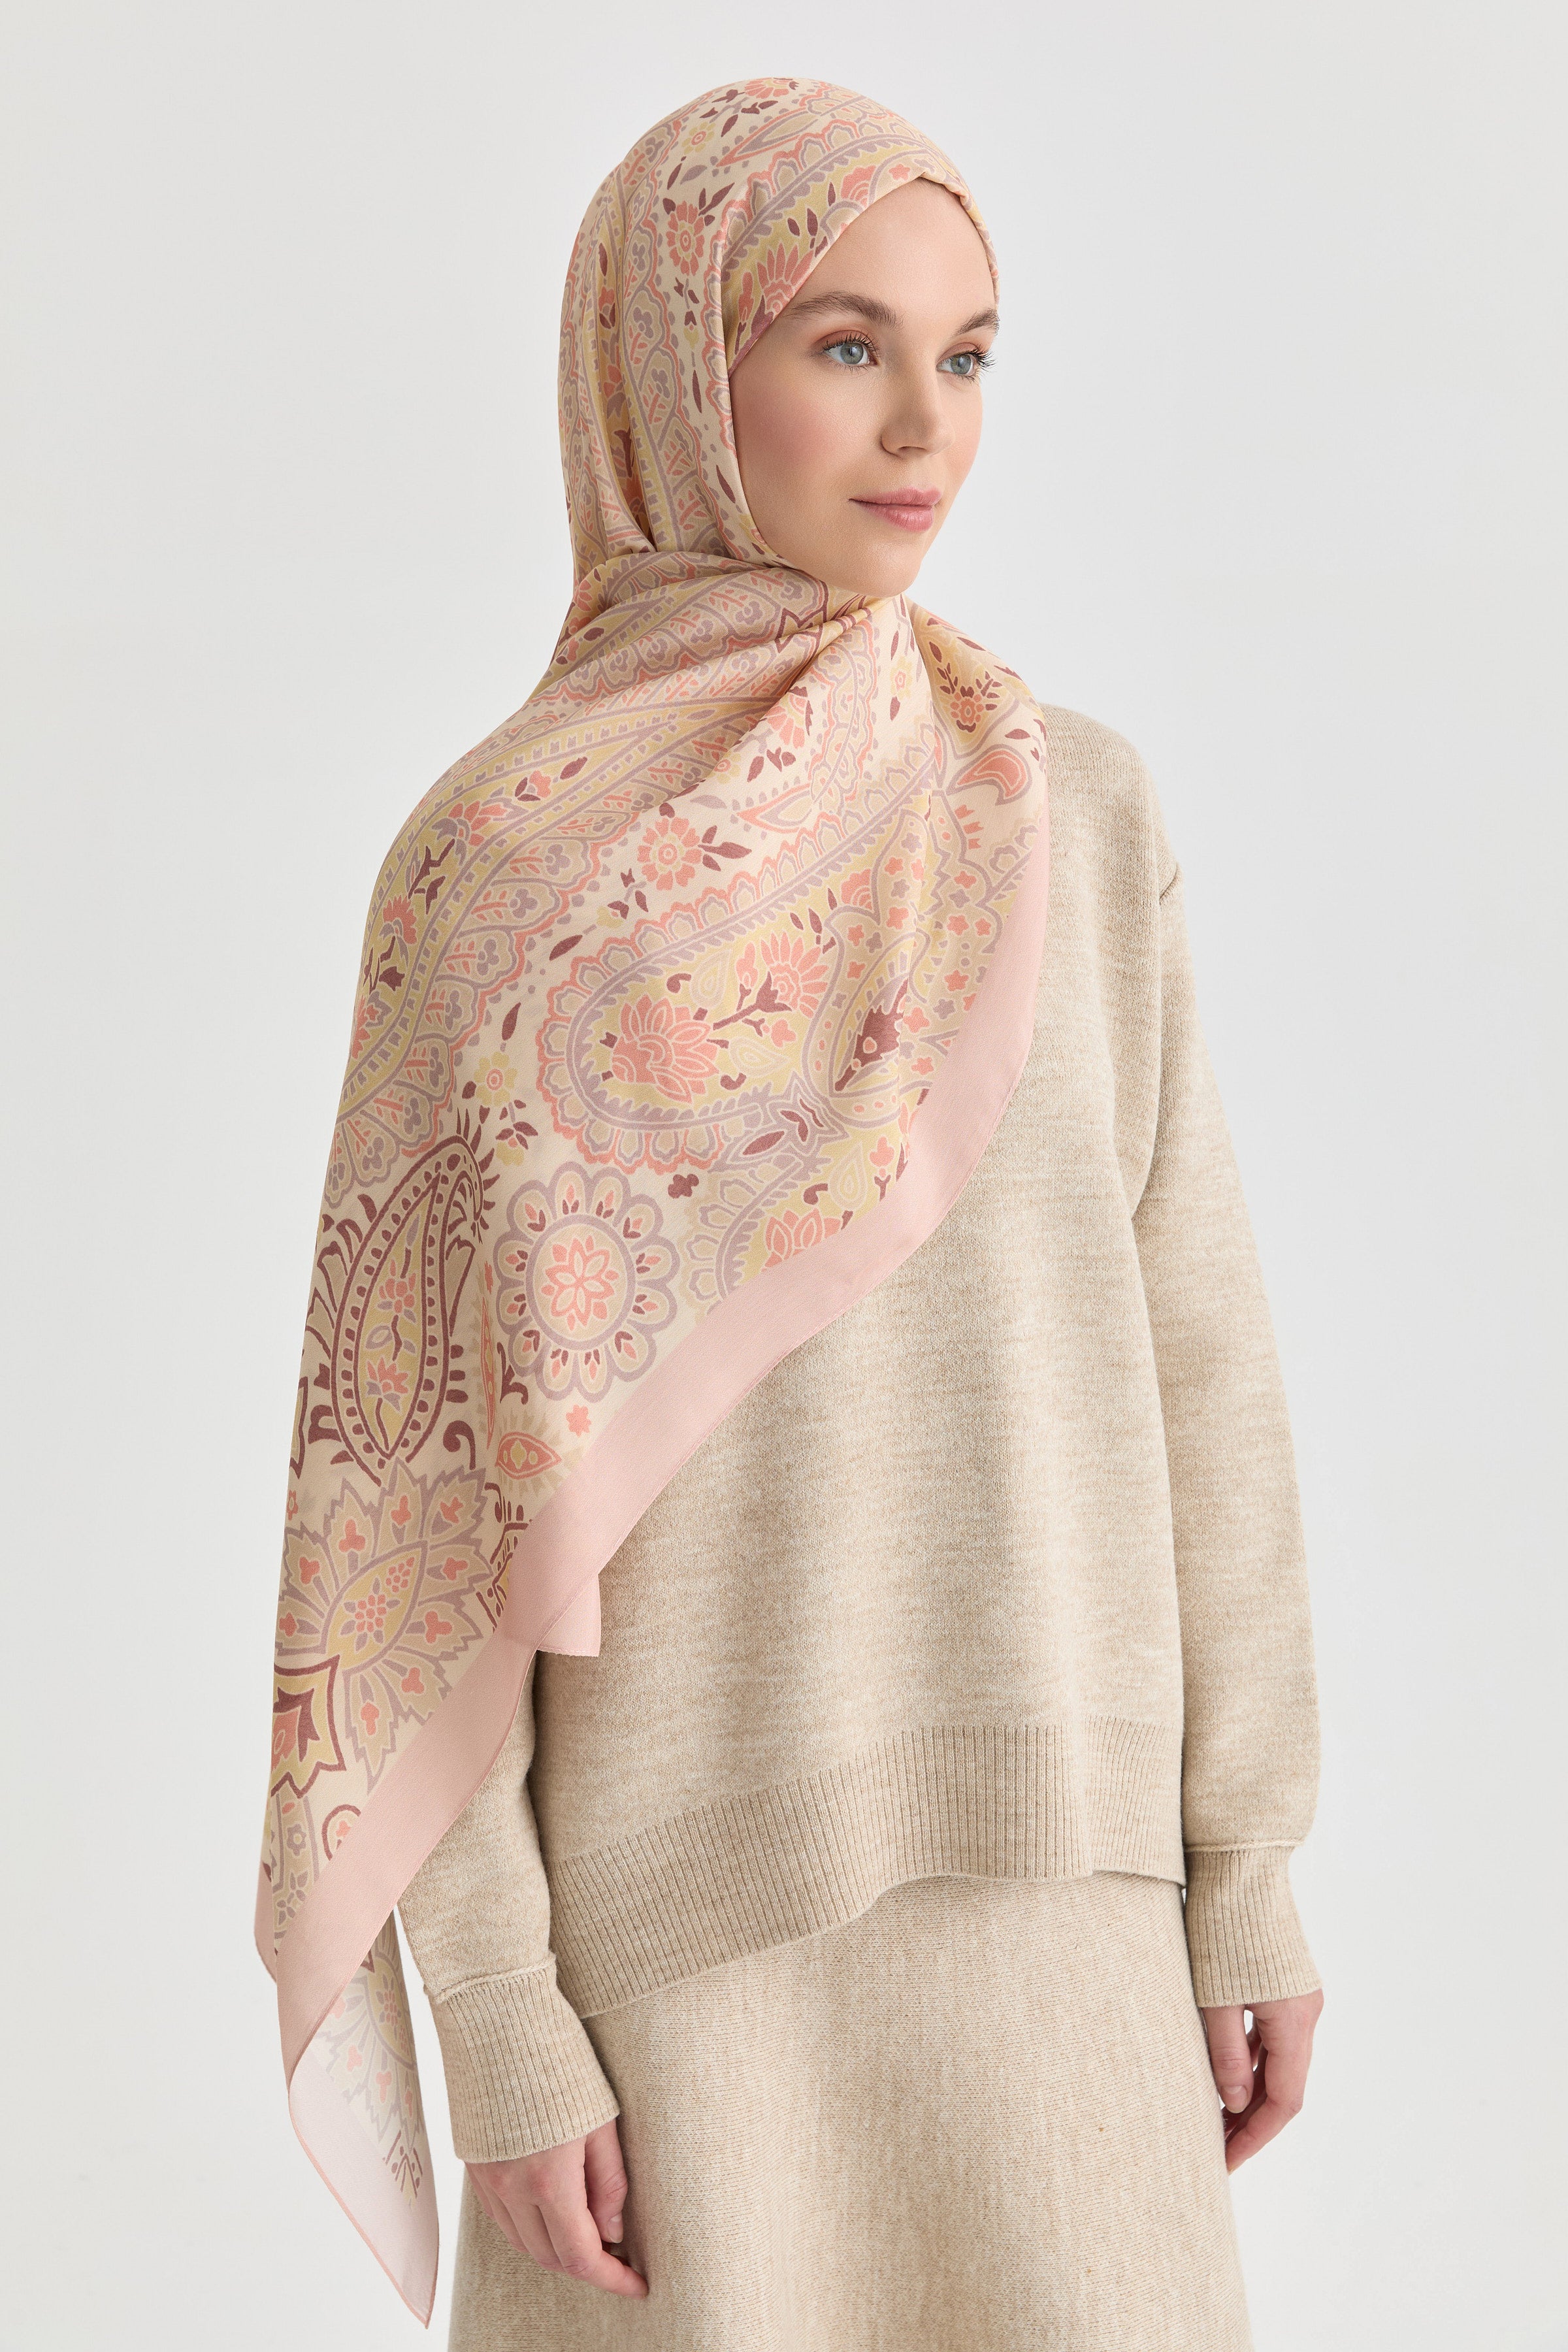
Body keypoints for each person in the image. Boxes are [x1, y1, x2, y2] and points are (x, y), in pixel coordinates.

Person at [259, 76, 1322, 2352]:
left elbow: (1203, 1358)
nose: (928, 425)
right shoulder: (495, 879)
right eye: (847, 346)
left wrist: (1249, 1870)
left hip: (1067, 1909)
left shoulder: (1069, 814)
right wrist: (506, 2019)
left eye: (969, 353)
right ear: (667, 368)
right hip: (673, 1981)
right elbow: (410, 1516)